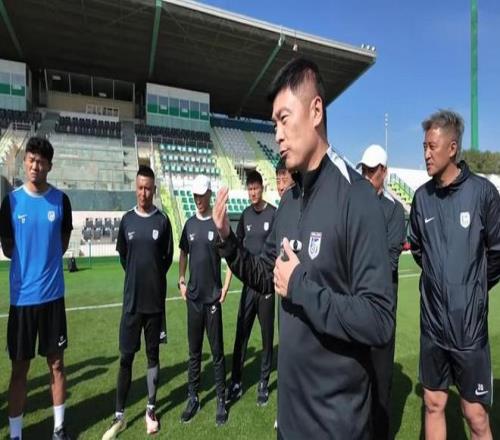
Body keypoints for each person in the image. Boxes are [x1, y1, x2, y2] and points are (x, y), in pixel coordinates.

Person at [213, 57, 394, 439]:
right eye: (273, 124)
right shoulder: (290, 202)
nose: (277, 135)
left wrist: (300, 287)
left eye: (284, 119)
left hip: (337, 426)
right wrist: (228, 241)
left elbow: (378, 319)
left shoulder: (357, 198)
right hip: (290, 421)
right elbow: (266, 275)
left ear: (315, 111)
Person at [409, 110, 500, 440]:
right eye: (424, 146)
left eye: (432, 146)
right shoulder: (421, 199)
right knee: (433, 404)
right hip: (433, 327)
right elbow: (418, 249)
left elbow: (497, 253)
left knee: (475, 415)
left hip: (469, 329)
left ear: (452, 148)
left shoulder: (483, 193)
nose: (426, 154)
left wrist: (472, 289)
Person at [0, 137, 73, 440]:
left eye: (41, 162)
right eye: (31, 159)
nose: (35, 166)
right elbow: (7, 247)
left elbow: (63, 242)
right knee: (20, 370)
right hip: (22, 300)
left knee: (57, 365)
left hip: (53, 297)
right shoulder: (11, 202)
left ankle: (59, 429)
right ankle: (15, 435)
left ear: (49, 166)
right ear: (24, 161)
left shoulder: (61, 201)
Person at [102, 165, 173, 439]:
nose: (144, 193)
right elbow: (124, 258)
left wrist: (152, 279)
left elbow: (166, 259)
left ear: (154, 190)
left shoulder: (163, 221)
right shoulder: (127, 220)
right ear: (136, 188)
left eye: (148, 189)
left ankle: (151, 409)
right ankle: (119, 415)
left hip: (154, 305)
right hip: (131, 303)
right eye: (140, 188)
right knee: (126, 358)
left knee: (153, 356)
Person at [357, 144, 406, 440]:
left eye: (372, 171)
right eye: (364, 169)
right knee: (358, 381)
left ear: (384, 172)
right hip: (356, 310)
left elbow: (388, 262)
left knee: (381, 383)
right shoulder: (354, 205)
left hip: (380, 312)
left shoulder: (394, 211)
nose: (367, 175)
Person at [178, 175, 228, 426]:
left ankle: (221, 399)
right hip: (194, 300)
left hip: (212, 301)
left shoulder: (217, 225)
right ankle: (193, 398)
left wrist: (225, 287)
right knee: (194, 352)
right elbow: (183, 253)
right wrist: (181, 279)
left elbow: (230, 256)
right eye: (195, 195)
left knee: (217, 353)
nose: (198, 199)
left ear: (209, 194)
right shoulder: (189, 225)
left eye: (202, 195)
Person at [224, 170, 276, 406]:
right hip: (248, 287)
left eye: (256, 188)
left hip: (266, 287)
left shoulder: (273, 214)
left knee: (266, 337)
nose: (253, 192)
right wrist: (226, 286)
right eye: (250, 189)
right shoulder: (245, 215)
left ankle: (264, 382)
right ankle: (236, 382)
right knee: (241, 335)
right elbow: (235, 253)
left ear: (262, 188)